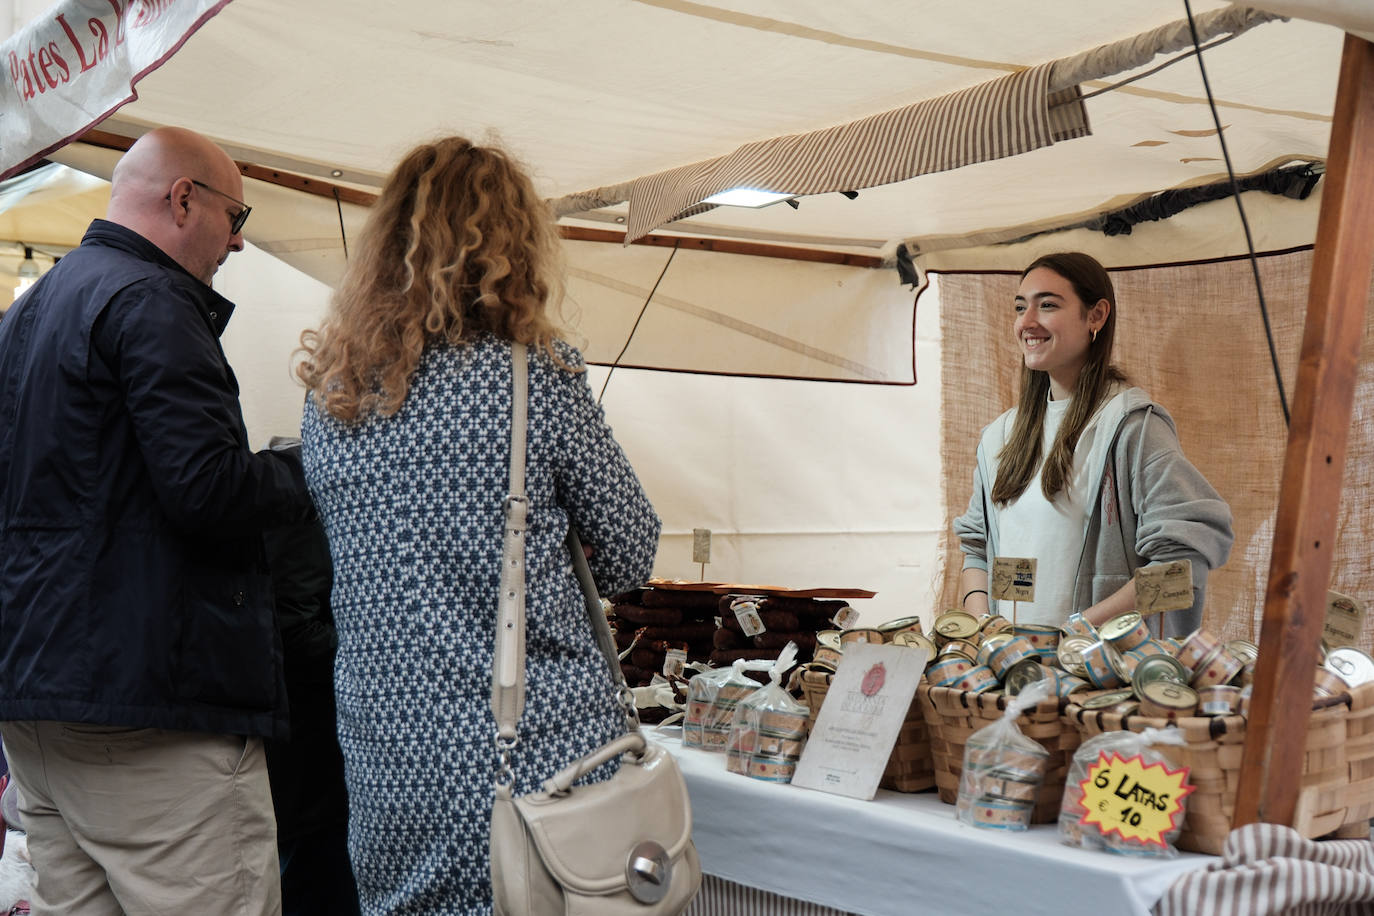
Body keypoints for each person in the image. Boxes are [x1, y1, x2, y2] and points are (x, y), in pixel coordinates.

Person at [296, 136, 660, 914]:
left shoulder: (332, 397)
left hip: (385, 763)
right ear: (513, 246)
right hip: (532, 766)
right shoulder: (534, 378)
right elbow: (630, 549)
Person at [0, 127, 310, 913]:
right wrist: (312, 469)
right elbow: (209, 492)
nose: (237, 244)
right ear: (183, 200)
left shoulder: (28, 312)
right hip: (154, 713)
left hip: (39, 704)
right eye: (236, 218)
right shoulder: (155, 299)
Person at [954, 251, 1233, 638]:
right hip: (1012, 671)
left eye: (1047, 305)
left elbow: (1181, 567)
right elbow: (976, 547)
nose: (1027, 322)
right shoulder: (1000, 437)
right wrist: (983, 625)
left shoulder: (1131, 427)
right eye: (1021, 307)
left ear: (1096, 316)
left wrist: (1083, 629)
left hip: (1097, 682)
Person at [262, 440, 361, 916]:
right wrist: (367, 640)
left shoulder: (312, 495)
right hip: (307, 735)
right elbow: (296, 628)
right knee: (311, 873)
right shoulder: (304, 500)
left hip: (312, 738)